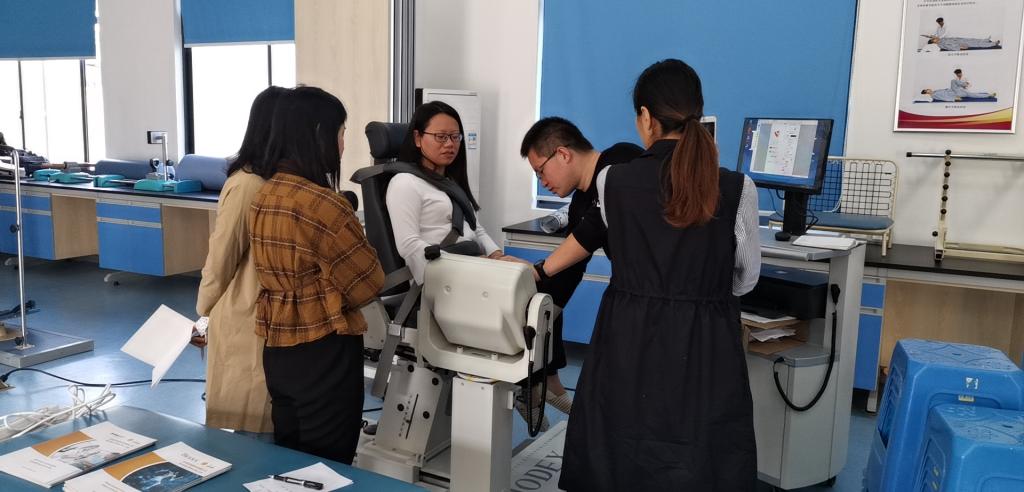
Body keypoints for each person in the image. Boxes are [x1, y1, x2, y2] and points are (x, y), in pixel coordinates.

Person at [537, 59, 760, 491]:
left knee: (621, 442)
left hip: (628, 334)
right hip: (705, 340)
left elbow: (597, 238)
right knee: (701, 447)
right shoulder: (738, 187)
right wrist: (704, 292)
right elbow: (746, 279)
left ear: (645, 117)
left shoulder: (612, 181)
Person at [249, 86, 384, 464]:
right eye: (341, 133)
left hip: (278, 348)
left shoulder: (266, 194)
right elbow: (368, 284)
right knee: (329, 461)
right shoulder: (324, 204)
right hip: (324, 348)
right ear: (319, 134)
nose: (342, 145)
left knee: (289, 458)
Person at [518, 117, 643, 415]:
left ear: (562, 154)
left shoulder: (622, 159)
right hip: (631, 296)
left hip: (663, 294)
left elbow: (593, 231)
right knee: (543, 297)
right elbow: (568, 273)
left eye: (540, 171)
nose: (542, 182)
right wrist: (531, 313)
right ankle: (544, 382)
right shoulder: (580, 204)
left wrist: (538, 270)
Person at [194, 86, 288, 436]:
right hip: (244, 311)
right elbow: (222, 257)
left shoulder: (277, 180)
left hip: (270, 313)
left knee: (266, 415)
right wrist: (203, 313)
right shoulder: (248, 183)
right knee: (250, 422)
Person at [386, 101, 510, 286]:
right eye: (441, 137)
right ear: (418, 138)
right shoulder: (405, 183)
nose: (450, 144)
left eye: (455, 136)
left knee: (526, 275)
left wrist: (497, 256)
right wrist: (475, 265)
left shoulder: (451, 183)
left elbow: (475, 228)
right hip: (440, 279)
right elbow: (409, 245)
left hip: (470, 267)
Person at [921, 87, 994, 102]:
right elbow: (944, 98)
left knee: (972, 94)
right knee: (972, 95)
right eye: (927, 90)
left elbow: (945, 90)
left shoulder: (935, 91)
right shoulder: (934, 95)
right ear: (927, 93)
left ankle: (988, 95)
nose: (928, 89)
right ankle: (989, 95)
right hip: (954, 95)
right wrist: (954, 99)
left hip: (954, 91)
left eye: (927, 89)